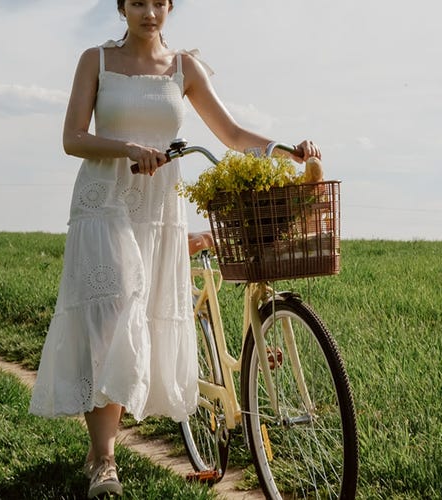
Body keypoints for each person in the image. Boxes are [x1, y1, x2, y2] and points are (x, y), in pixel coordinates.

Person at [28, 0, 321, 497]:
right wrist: (127, 148)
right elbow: (72, 138)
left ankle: (108, 443)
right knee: (112, 312)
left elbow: (230, 134)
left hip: (157, 206)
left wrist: (283, 150)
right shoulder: (95, 60)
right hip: (104, 201)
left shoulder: (184, 67)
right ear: (122, 7)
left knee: (137, 314)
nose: (148, 12)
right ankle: (103, 461)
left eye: (158, 2)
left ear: (169, 7)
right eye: (137, 2)